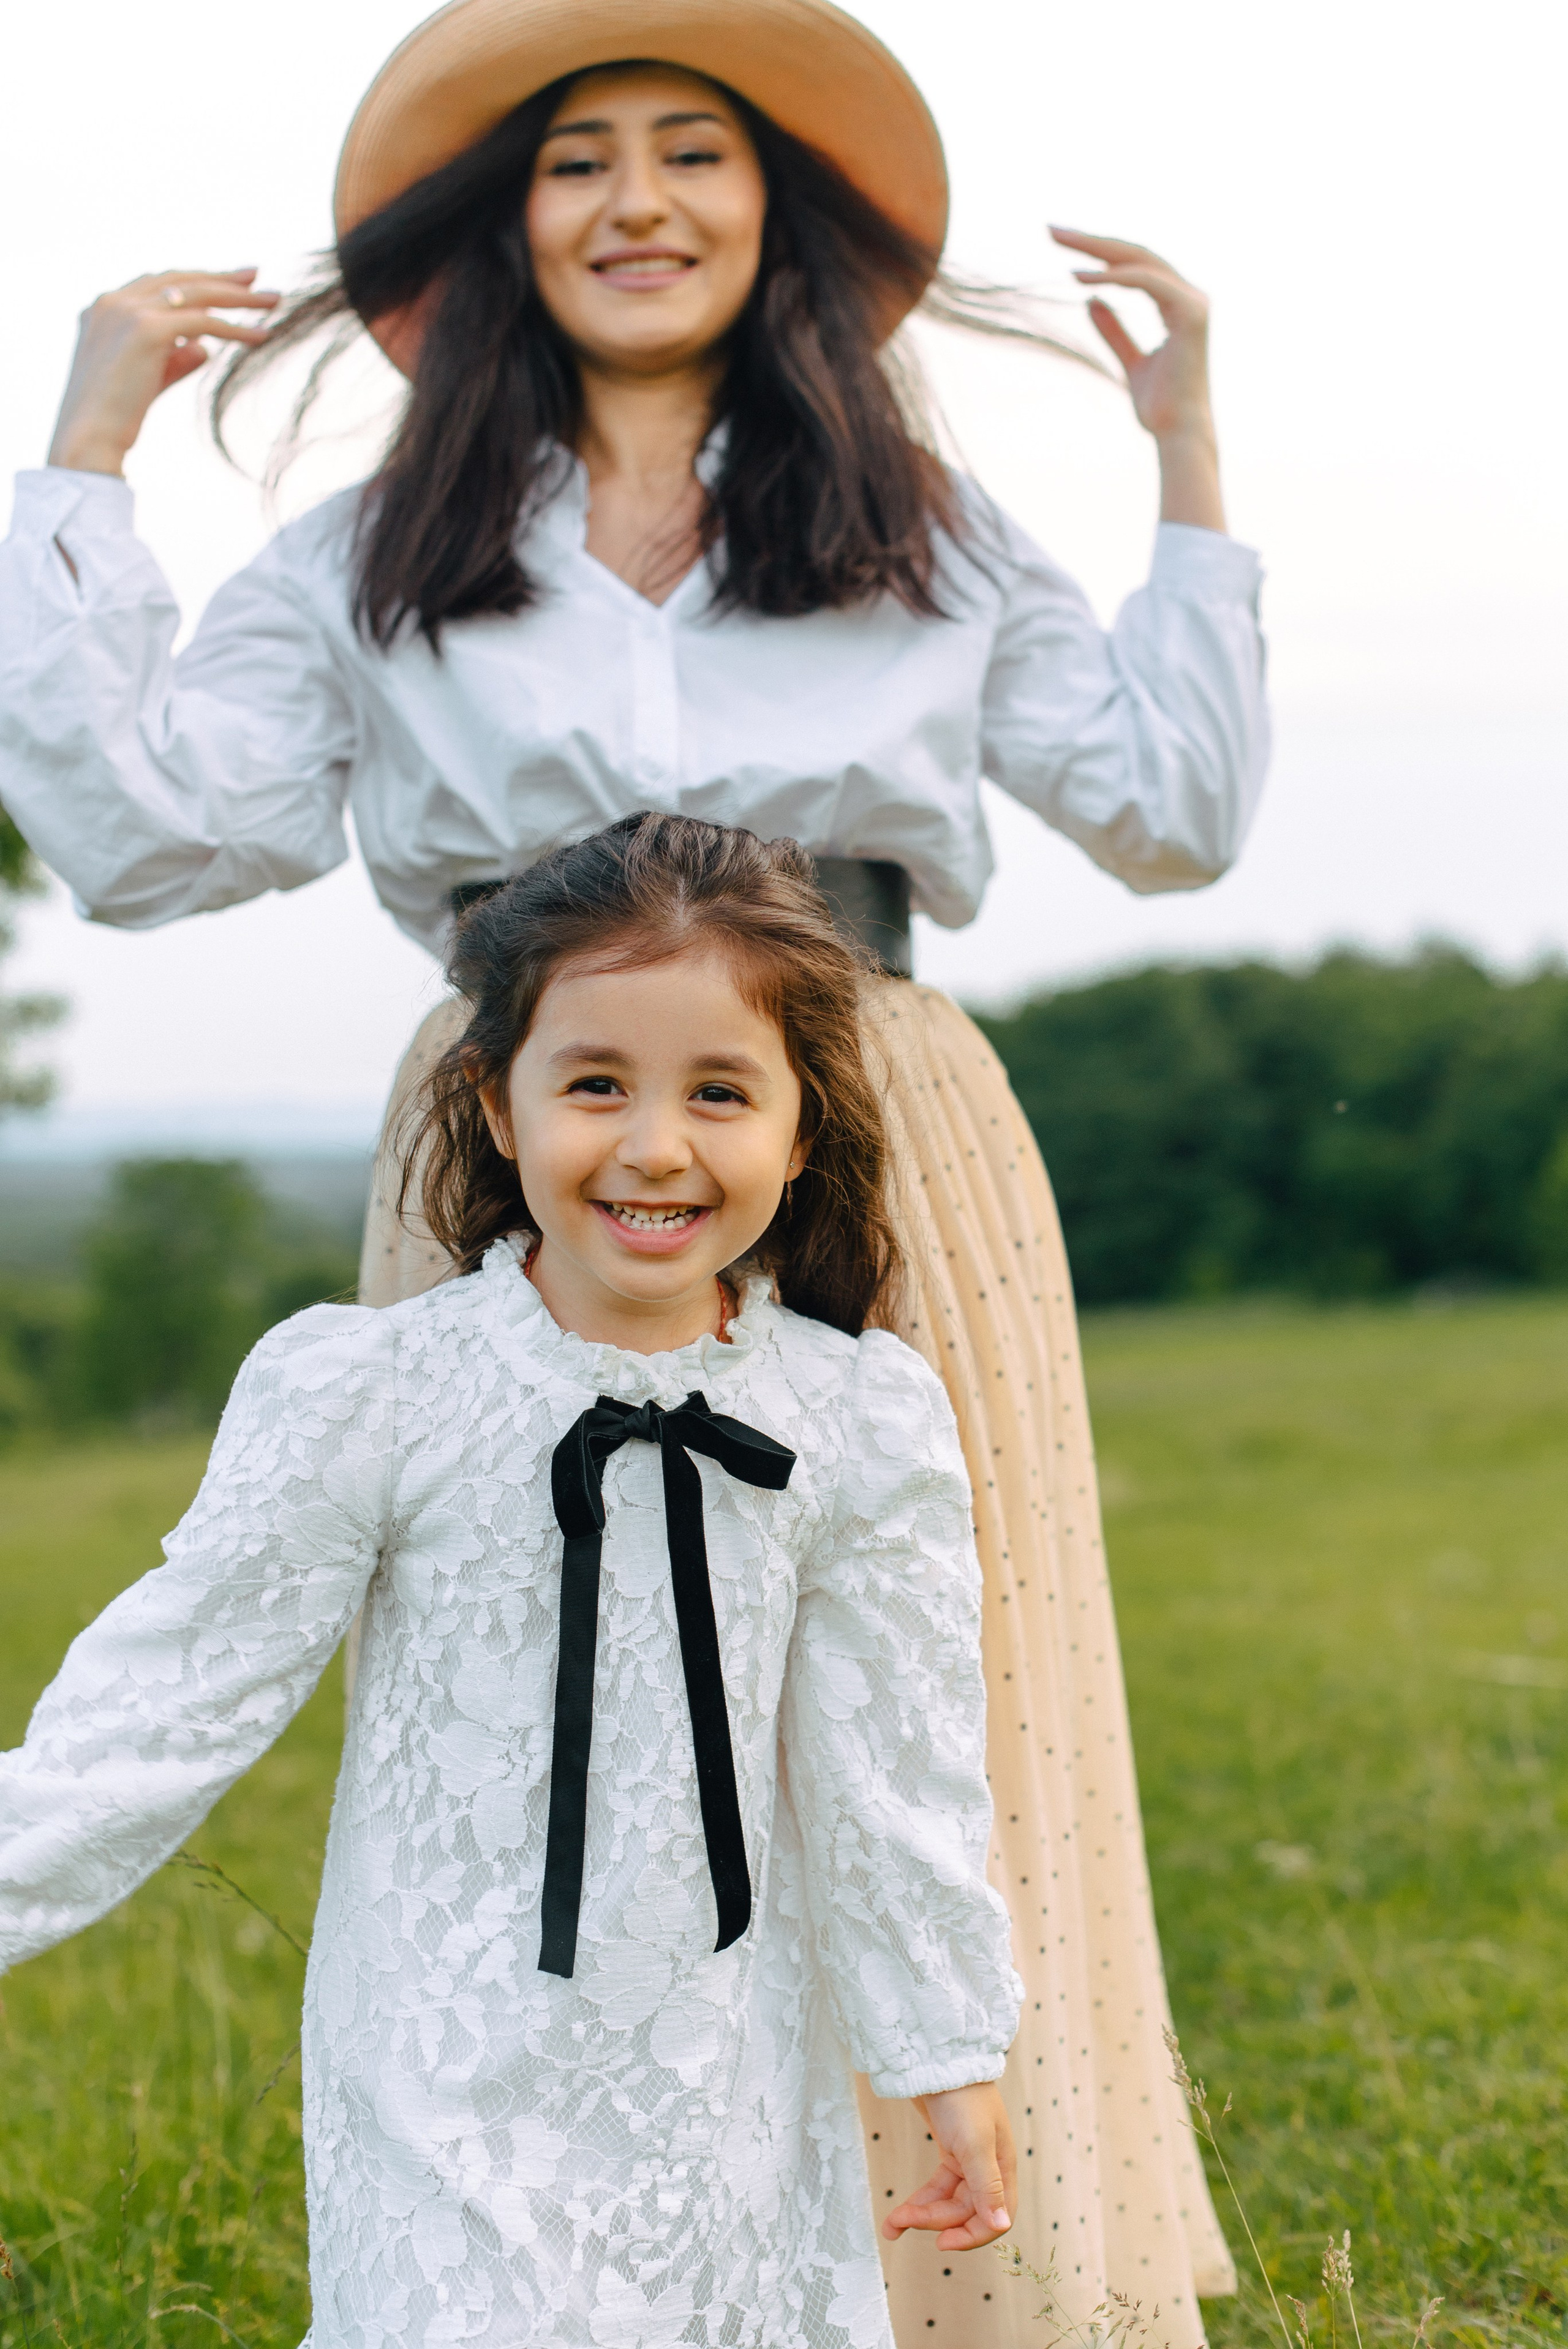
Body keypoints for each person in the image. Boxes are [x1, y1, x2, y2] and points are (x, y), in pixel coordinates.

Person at [0, 1, 1262, 2337]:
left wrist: (1186, 458)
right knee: (538, 1698)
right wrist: (82, 460)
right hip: (522, 1132)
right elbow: (151, 833)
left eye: (698, 151)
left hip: (860, 1116)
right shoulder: (381, 544)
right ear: (506, 227)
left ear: (778, 210)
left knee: (912, 1691)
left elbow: (1174, 812)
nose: (640, 202)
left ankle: (970, 2270)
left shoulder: (922, 527)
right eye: (579, 160)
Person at [0, 813, 1023, 2349]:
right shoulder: (375, 1391)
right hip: (441, 2054)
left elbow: (902, 1764)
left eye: (720, 1091)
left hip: (727, 2058)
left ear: (804, 1129)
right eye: (595, 1082)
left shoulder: (858, 1417)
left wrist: (945, 2047)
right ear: (494, 1099)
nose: (655, 1144)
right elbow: (168, 1693)